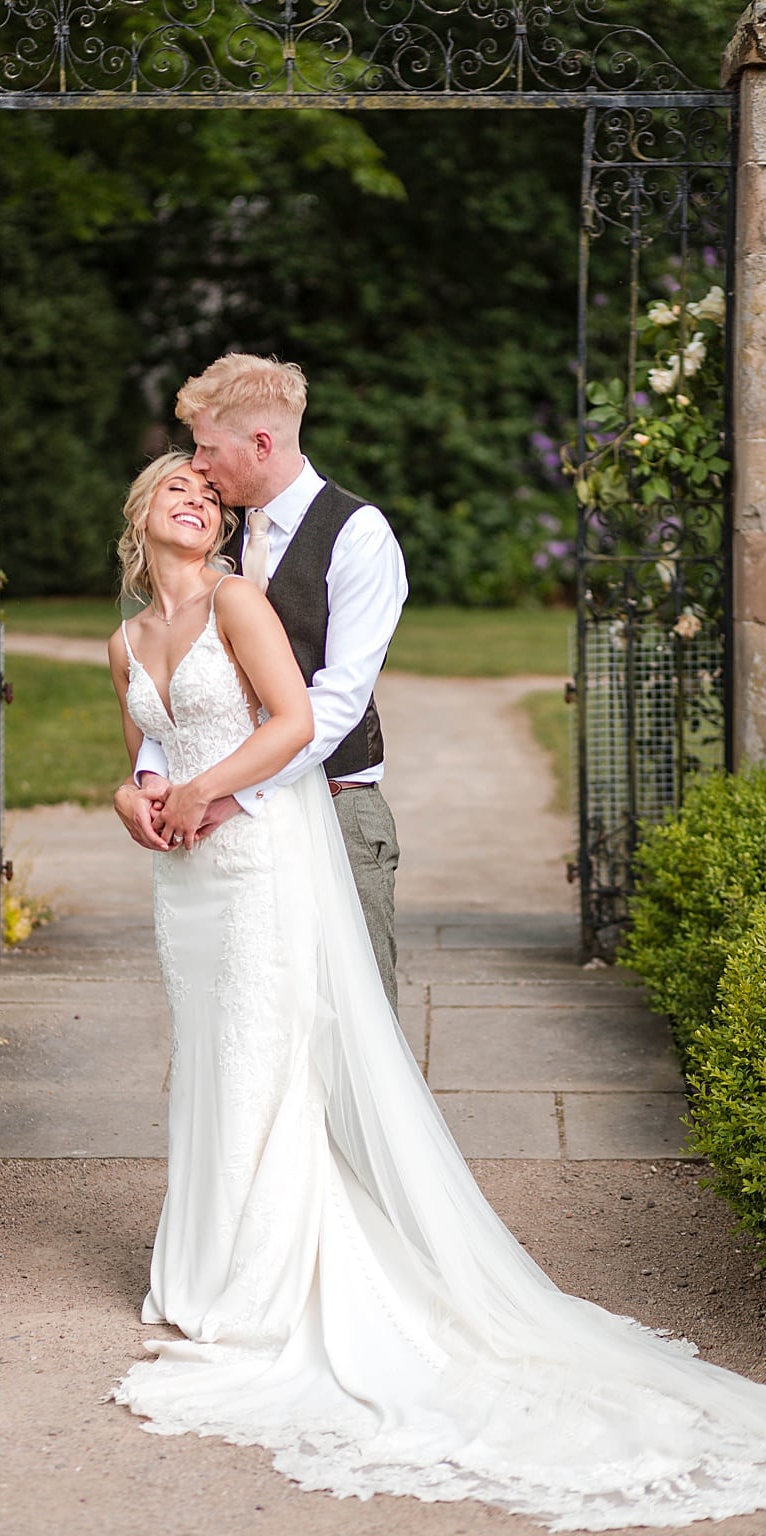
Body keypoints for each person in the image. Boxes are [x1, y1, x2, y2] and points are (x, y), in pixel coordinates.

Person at [109, 447, 766, 1532]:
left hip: (260, 857)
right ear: (141, 514)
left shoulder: (242, 601)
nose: (196, 498)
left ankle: (260, 1283)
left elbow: (289, 724)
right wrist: (140, 801)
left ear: (222, 526)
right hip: (187, 887)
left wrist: (207, 791)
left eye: (209, 493)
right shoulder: (127, 636)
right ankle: (205, 1265)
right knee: (209, 1055)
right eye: (175, 487)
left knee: (267, 1055)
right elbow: (141, 750)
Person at [113, 354, 407, 1012]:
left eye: (210, 449)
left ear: (261, 444)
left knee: (358, 1018)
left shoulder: (359, 537)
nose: (200, 467)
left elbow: (335, 702)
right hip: (241, 832)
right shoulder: (222, 529)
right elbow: (189, 687)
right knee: (271, 1015)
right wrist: (149, 781)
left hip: (334, 806)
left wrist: (229, 794)